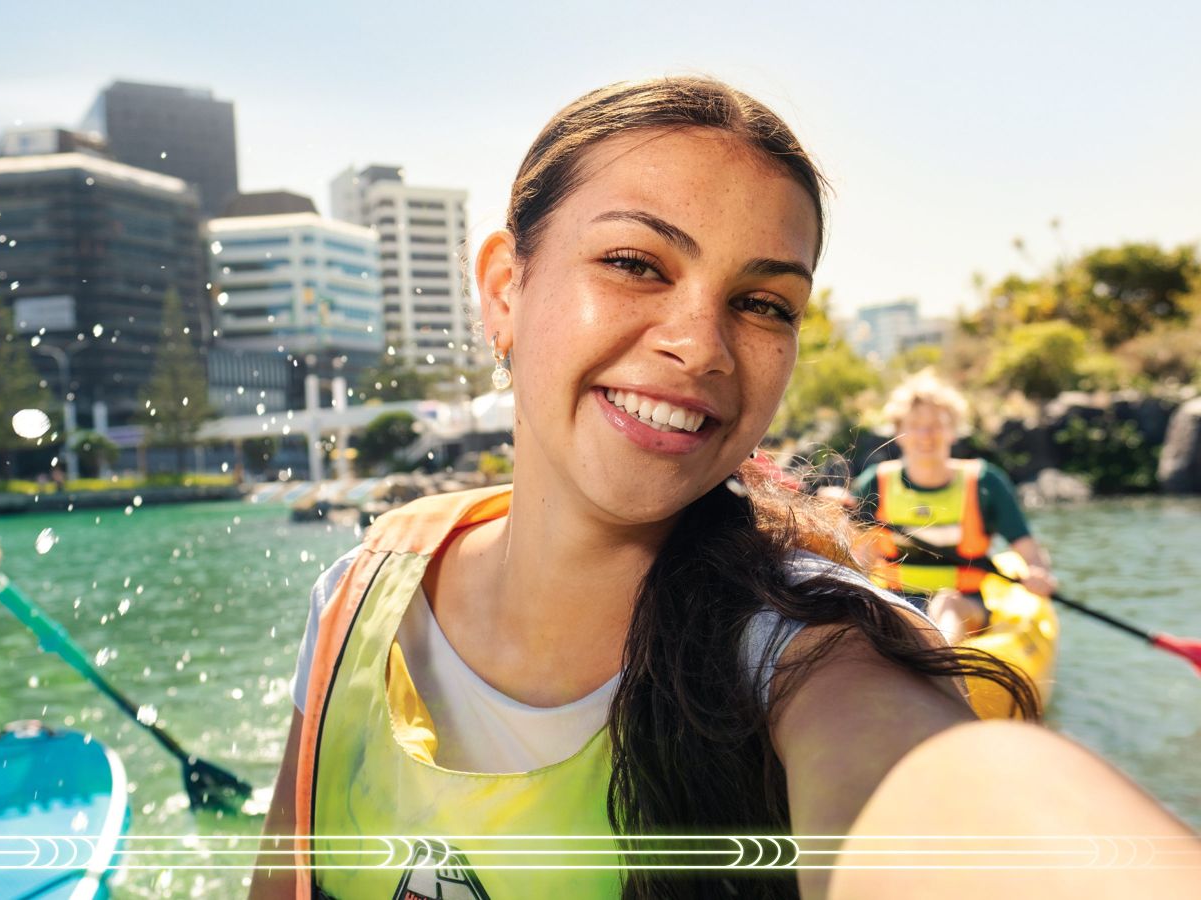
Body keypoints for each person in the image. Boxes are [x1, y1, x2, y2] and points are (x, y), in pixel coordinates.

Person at [248, 78, 1196, 900]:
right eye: (633, 263)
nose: (699, 344)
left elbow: (927, 793)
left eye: (762, 303)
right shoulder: (356, 600)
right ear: (505, 290)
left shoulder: (811, 658)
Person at [847, 371, 1056, 642]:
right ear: (898, 432)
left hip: (964, 605)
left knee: (946, 604)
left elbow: (1030, 554)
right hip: (895, 602)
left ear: (953, 431)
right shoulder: (875, 483)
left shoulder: (986, 483)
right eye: (915, 424)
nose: (926, 434)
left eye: (937, 424)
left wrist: (1038, 575)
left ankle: (939, 669)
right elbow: (860, 558)